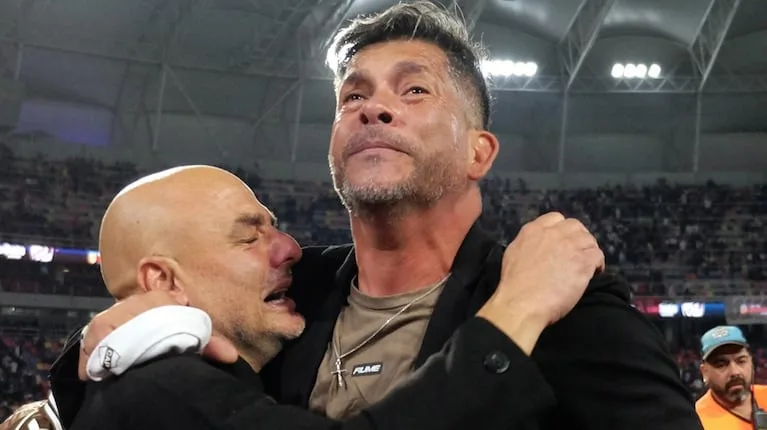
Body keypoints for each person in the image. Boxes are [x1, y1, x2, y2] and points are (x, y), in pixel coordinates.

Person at [47, 2, 702, 429]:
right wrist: (96, 342)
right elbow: (143, 377)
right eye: (351, 96)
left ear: (478, 152)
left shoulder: (565, 307)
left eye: (414, 89)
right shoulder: (287, 296)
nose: (372, 107)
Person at [62, 165, 592, 430]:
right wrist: (518, 309)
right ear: (163, 280)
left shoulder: (191, 374)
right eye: (249, 238)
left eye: (275, 227)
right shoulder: (160, 394)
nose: (291, 249)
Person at [696, 325, 767, 430]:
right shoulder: (695, 420)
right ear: (704, 372)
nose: (735, 372)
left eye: (741, 361)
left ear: (751, 363)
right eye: (721, 365)